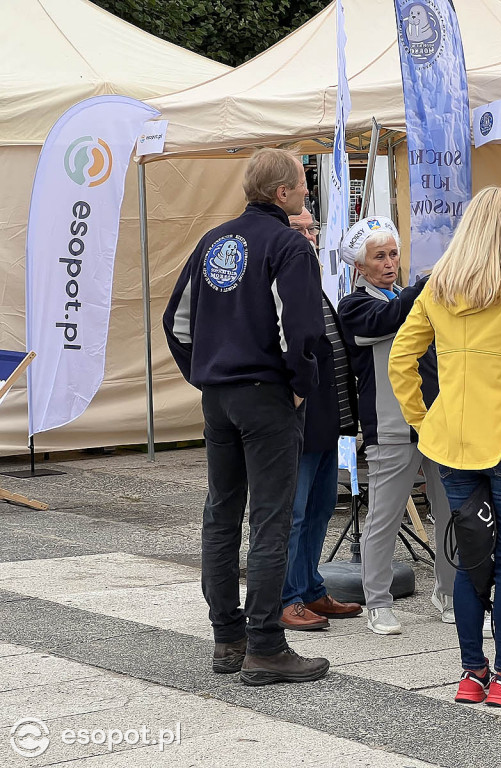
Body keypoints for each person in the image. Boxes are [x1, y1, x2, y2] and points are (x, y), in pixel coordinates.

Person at [389, 187, 501, 708]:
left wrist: (423, 420)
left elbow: (402, 356)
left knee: (470, 560)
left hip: (453, 442)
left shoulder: (437, 284)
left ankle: (472, 674)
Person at [162, 148, 330, 686]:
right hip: (265, 394)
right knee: (271, 518)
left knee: (221, 514)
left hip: (219, 396)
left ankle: (227, 636)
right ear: (281, 194)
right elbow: (302, 331)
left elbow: (176, 320)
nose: (307, 194)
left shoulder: (213, 241)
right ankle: (265, 644)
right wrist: (299, 388)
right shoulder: (287, 245)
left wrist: (203, 373)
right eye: (303, 186)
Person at [336, 216, 455, 635]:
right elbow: (391, 319)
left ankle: (450, 593)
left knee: (449, 513)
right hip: (389, 427)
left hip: (435, 422)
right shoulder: (355, 306)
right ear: (359, 267)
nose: (389, 263)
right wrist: (428, 282)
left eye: (392, 254)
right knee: (383, 518)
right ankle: (377, 602)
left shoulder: (404, 295)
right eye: (379, 257)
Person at [279, 207, 362, 630]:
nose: (309, 237)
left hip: (329, 420)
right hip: (299, 419)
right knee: (292, 513)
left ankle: (310, 588)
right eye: (299, 229)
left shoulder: (311, 277)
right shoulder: (279, 280)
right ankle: (286, 596)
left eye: (313, 228)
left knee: (320, 506)